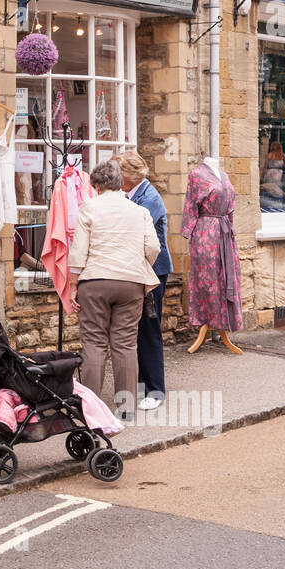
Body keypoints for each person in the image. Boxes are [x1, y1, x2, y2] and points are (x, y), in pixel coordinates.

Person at [67, 159, 160, 420]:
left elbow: (79, 251)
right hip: (131, 284)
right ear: (120, 184)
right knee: (126, 344)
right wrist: (137, 266)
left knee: (94, 344)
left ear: (96, 186)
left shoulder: (89, 207)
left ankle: (90, 409)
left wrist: (73, 285)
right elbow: (153, 247)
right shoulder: (138, 211)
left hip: (94, 281)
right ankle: (126, 407)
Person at [114, 151, 171, 413]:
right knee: (133, 329)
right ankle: (139, 384)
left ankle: (155, 390)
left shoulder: (149, 198)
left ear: (127, 176)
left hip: (153, 272)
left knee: (149, 328)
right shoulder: (130, 194)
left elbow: (134, 233)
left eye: (117, 172)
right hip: (135, 270)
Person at [260, 139, 285, 207]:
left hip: (270, 173)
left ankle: (269, 202)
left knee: (269, 188)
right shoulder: (283, 155)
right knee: (278, 188)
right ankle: (278, 203)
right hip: (279, 174)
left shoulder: (269, 155)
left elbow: (265, 166)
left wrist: (262, 176)